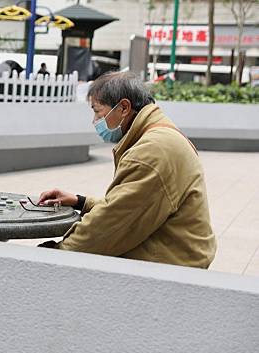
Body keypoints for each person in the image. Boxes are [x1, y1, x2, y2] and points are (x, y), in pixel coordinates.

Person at [37, 71, 216, 268]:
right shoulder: (159, 134)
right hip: (174, 257)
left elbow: (110, 225)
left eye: (97, 111)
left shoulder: (151, 152)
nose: (94, 121)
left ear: (123, 107)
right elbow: (128, 205)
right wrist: (81, 202)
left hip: (169, 268)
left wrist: (56, 254)